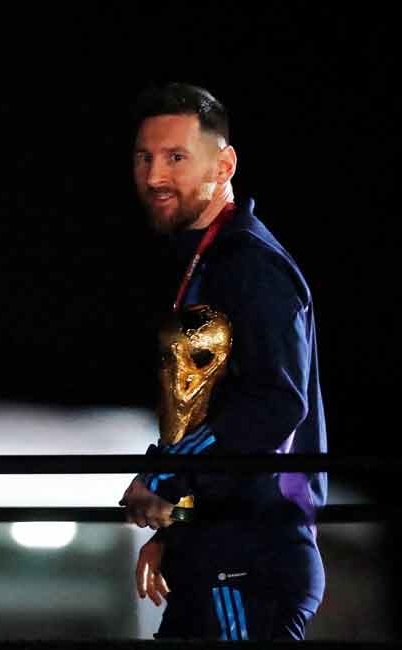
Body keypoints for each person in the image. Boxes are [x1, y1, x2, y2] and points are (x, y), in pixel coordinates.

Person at [118, 82, 327, 640]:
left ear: (225, 164)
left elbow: (274, 403)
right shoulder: (211, 261)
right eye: (144, 158)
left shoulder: (247, 265)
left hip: (246, 559)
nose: (154, 176)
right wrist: (177, 528)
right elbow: (213, 411)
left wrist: (165, 477)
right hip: (218, 553)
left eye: (176, 158)